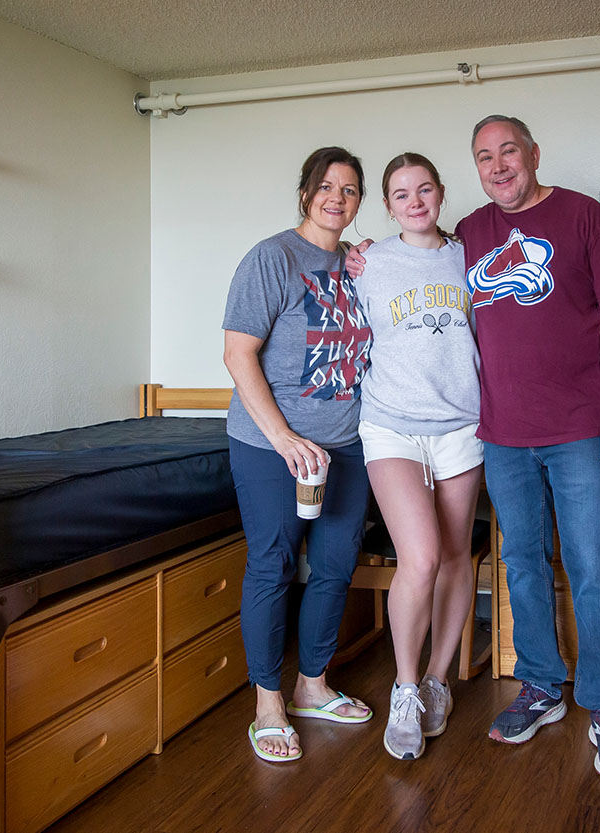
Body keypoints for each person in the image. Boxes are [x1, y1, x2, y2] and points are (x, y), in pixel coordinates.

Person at [348, 115, 600, 776]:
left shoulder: (585, 217)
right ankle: (540, 684)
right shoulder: (471, 234)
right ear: (475, 171)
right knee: (523, 563)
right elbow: (392, 276)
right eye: (486, 155)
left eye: (509, 150)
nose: (499, 164)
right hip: (502, 434)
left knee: (594, 563)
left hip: (579, 428)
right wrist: (357, 252)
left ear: (534, 153)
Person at [222, 146, 374, 764]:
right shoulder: (271, 257)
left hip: (347, 445)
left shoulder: (361, 266)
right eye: (326, 187)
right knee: (273, 564)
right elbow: (238, 355)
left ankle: (312, 686)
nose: (337, 197)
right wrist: (284, 438)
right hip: (269, 445)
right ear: (306, 193)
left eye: (351, 189)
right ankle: (267, 702)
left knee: (336, 565)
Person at [354, 153, 482, 761]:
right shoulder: (368, 262)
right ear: (387, 205)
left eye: (424, 189)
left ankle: (437, 679)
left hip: (461, 425)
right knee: (422, 556)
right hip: (391, 427)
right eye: (401, 194)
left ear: (439, 193)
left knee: (457, 555)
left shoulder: (470, 255)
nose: (414, 201)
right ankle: (404, 688)